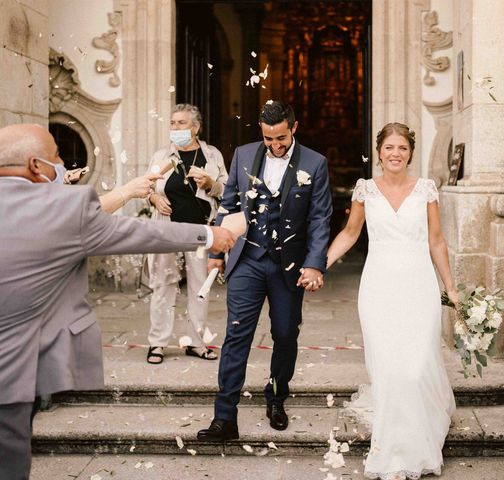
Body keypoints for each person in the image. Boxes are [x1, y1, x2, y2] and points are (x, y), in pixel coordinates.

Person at [0, 123, 237, 480]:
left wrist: (126, 193)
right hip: (11, 371)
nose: (63, 163)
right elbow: (140, 233)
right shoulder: (63, 207)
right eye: (57, 156)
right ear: (36, 165)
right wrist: (209, 234)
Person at [324, 122, 457, 479]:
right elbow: (350, 233)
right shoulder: (365, 190)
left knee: (415, 366)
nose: (395, 153)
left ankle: (419, 438)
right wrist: (319, 264)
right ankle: (393, 447)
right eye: (389, 147)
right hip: (379, 286)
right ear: (379, 151)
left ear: (410, 152)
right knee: (388, 368)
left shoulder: (426, 189)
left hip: (419, 285)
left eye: (402, 147)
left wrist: (451, 287)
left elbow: (437, 241)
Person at [197, 100, 332, 442]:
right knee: (237, 335)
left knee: (285, 334)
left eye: (281, 138)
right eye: (269, 138)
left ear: (294, 127)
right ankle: (224, 417)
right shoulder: (243, 155)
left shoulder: (315, 164)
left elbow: (319, 218)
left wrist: (315, 263)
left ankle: (276, 397)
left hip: (288, 265)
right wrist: (216, 251)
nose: (275, 145)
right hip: (248, 261)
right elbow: (228, 204)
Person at [145, 103, 228, 364]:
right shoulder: (161, 155)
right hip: (167, 229)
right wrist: (154, 199)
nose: (175, 128)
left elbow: (227, 189)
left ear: (196, 127)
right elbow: (145, 187)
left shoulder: (212, 155)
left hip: (201, 230)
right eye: (172, 123)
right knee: (163, 286)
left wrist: (211, 184)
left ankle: (197, 342)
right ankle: (157, 343)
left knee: (199, 288)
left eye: (181, 123)